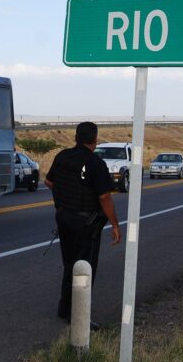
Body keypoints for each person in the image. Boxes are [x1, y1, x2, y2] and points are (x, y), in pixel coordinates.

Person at [45, 121, 122, 325]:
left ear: (76, 137)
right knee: (85, 268)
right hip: (85, 223)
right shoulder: (95, 163)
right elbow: (105, 197)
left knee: (69, 264)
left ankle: (64, 308)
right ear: (95, 140)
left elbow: (49, 182)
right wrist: (115, 224)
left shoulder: (62, 156)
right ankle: (78, 316)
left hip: (63, 217)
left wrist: (62, 200)